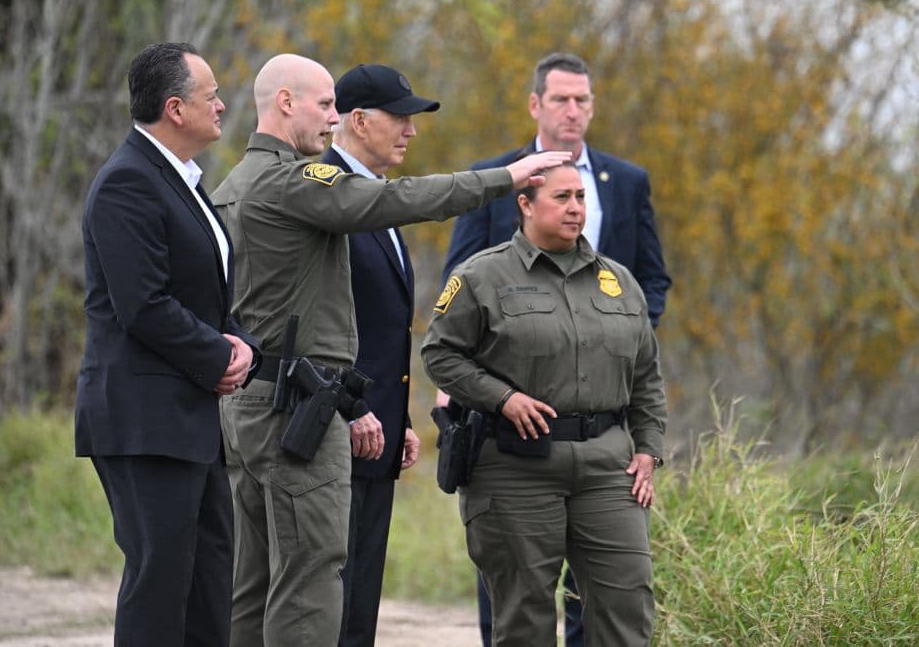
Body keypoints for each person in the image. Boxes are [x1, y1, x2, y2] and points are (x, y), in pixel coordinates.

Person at [210, 53, 572, 646]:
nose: (333, 118)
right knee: (310, 578)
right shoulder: (291, 181)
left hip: (254, 404)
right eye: (325, 105)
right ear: (285, 103)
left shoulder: (232, 186)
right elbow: (394, 200)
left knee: (253, 583)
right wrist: (505, 178)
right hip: (296, 408)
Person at [441, 51, 671, 646]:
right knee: (522, 615)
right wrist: (495, 397)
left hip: (605, 456)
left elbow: (647, 367)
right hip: (517, 456)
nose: (575, 209)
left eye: (580, 200)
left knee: (625, 609)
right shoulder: (488, 243)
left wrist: (649, 446)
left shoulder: (619, 269)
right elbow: (445, 344)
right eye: (562, 198)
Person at [75, 42, 260, 647]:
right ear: (175, 109)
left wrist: (242, 345)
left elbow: (202, 295)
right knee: (161, 581)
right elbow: (143, 305)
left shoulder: (182, 181)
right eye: (212, 96)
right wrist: (218, 356)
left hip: (188, 418)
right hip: (144, 419)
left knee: (208, 578)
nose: (222, 105)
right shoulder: (128, 181)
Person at [319, 63, 436, 646]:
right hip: (333, 431)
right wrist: (347, 408)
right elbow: (314, 319)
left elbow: (381, 326)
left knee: (361, 601)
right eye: (400, 118)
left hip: (377, 433)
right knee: (328, 603)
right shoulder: (325, 193)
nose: (410, 131)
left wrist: (398, 415)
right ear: (359, 121)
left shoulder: (376, 197)